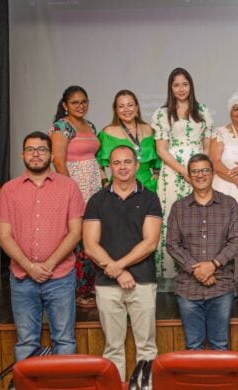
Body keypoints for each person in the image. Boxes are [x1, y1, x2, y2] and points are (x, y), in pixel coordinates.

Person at [0, 131, 85, 361]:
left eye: (42, 150)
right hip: (21, 278)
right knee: (26, 342)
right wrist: (29, 267)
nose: (36, 154)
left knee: (64, 340)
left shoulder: (69, 187)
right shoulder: (8, 190)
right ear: (22, 154)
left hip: (60, 277)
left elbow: (76, 232)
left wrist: (48, 264)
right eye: (30, 150)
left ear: (51, 154)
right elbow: (4, 235)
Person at [83, 145, 162, 380]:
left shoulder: (150, 198)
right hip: (107, 284)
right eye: (117, 163)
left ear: (137, 165)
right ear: (110, 167)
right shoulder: (97, 200)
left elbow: (150, 242)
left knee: (147, 347)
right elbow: (90, 245)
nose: (122, 167)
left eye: (127, 162)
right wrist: (117, 272)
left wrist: (119, 266)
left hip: (143, 282)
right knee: (112, 349)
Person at [166, 153, 238, 350]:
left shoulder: (229, 204)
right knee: (193, 346)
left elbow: (236, 241)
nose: (200, 175)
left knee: (220, 345)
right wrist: (198, 271)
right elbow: (173, 244)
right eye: (195, 172)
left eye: (205, 170)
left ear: (213, 173)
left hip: (221, 287)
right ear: (189, 176)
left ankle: (221, 383)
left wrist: (213, 265)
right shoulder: (179, 207)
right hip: (188, 289)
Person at [152, 68, 214, 290]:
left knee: (199, 221)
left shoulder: (203, 110)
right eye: (176, 84)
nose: (181, 88)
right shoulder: (161, 113)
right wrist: (183, 171)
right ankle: (170, 278)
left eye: (185, 84)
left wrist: (201, 170)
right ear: (171, 87)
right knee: (172, 221)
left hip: (199, 172)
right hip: (172, 173)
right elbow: (161, 150)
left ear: (191, 86)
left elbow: (206, 145)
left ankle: (200, 271)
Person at [48, 85, 103, 307]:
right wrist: (72, 192)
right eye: (75, 102)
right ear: (65, 105)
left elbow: (95, 157)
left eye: (84, 101)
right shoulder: (62, 127)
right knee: (77, 237)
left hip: (93, 184)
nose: (80, 106)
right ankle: (79, 291)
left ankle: (91, 286)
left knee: (93, 234)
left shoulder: (90, 126)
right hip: (73, 185)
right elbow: (59, 162)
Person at [97, 90, 161, 192]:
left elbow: (158, 158)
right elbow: (97, 160)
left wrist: (157, 174)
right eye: (121, 106)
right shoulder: (108, 132)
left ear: (137, 107)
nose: (126, 109)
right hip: (121, 187)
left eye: (130, 105)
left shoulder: (148, 129)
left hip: (149, 186)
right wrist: (104, 180)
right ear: (116, 110)